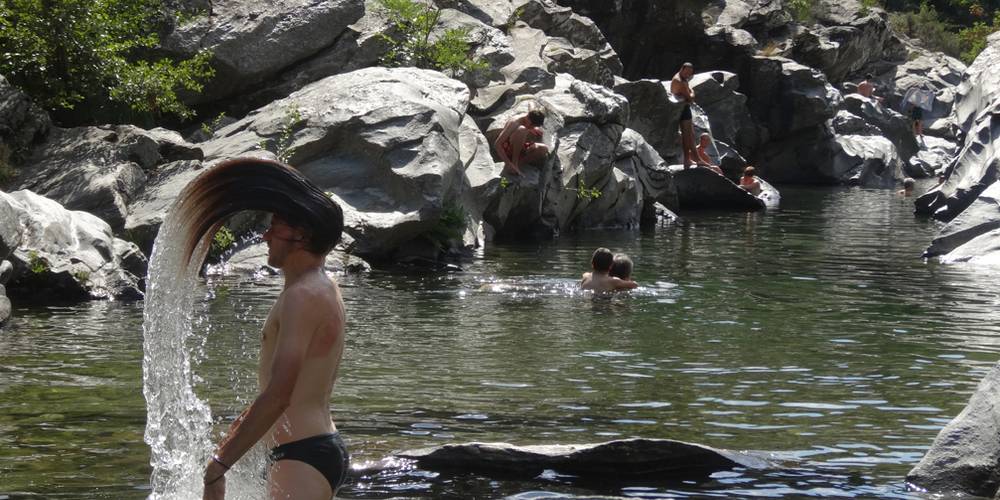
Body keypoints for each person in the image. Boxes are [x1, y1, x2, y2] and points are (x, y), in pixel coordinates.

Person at [186, 159, 349, 500]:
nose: (265, 236)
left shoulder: (303, 296)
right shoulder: (318, 286)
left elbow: (279, 395)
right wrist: (233, 440)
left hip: (302, 454)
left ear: (300, 235)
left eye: (274, 226)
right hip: (308, 448)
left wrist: (218, 467)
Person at [494, 107, 549, 176]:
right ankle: (513, 164)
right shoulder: (514, 123)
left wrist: (534, 128)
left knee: (543, 149)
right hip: (507, 148)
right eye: (532, 125)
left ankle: (516, 166)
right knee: (522, 130)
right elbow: (497, 144)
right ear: (528, 119)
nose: (532, 127)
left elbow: (531, 104)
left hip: (520, 147)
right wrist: (508, 163)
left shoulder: (530, 115)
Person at [671, 62, 697, 168]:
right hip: (681, 108)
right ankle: (687, 159)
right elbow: (690, 98)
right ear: (682, 69)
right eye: (686, 72)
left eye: (690, 73)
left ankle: (693, 157)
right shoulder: (679, 81)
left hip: (683, 106)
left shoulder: (683, 78)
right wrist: (693, 92)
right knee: (686, 134)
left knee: (691, 133)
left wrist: (689, 92)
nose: (688, 75)